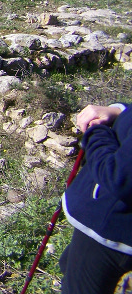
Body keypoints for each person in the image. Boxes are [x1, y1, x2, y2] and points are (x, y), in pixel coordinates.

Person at [60, 103, 132, 293]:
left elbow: (119, 176)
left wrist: (96, 133)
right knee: (67, 264)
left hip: (112, 227)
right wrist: (119, 111)